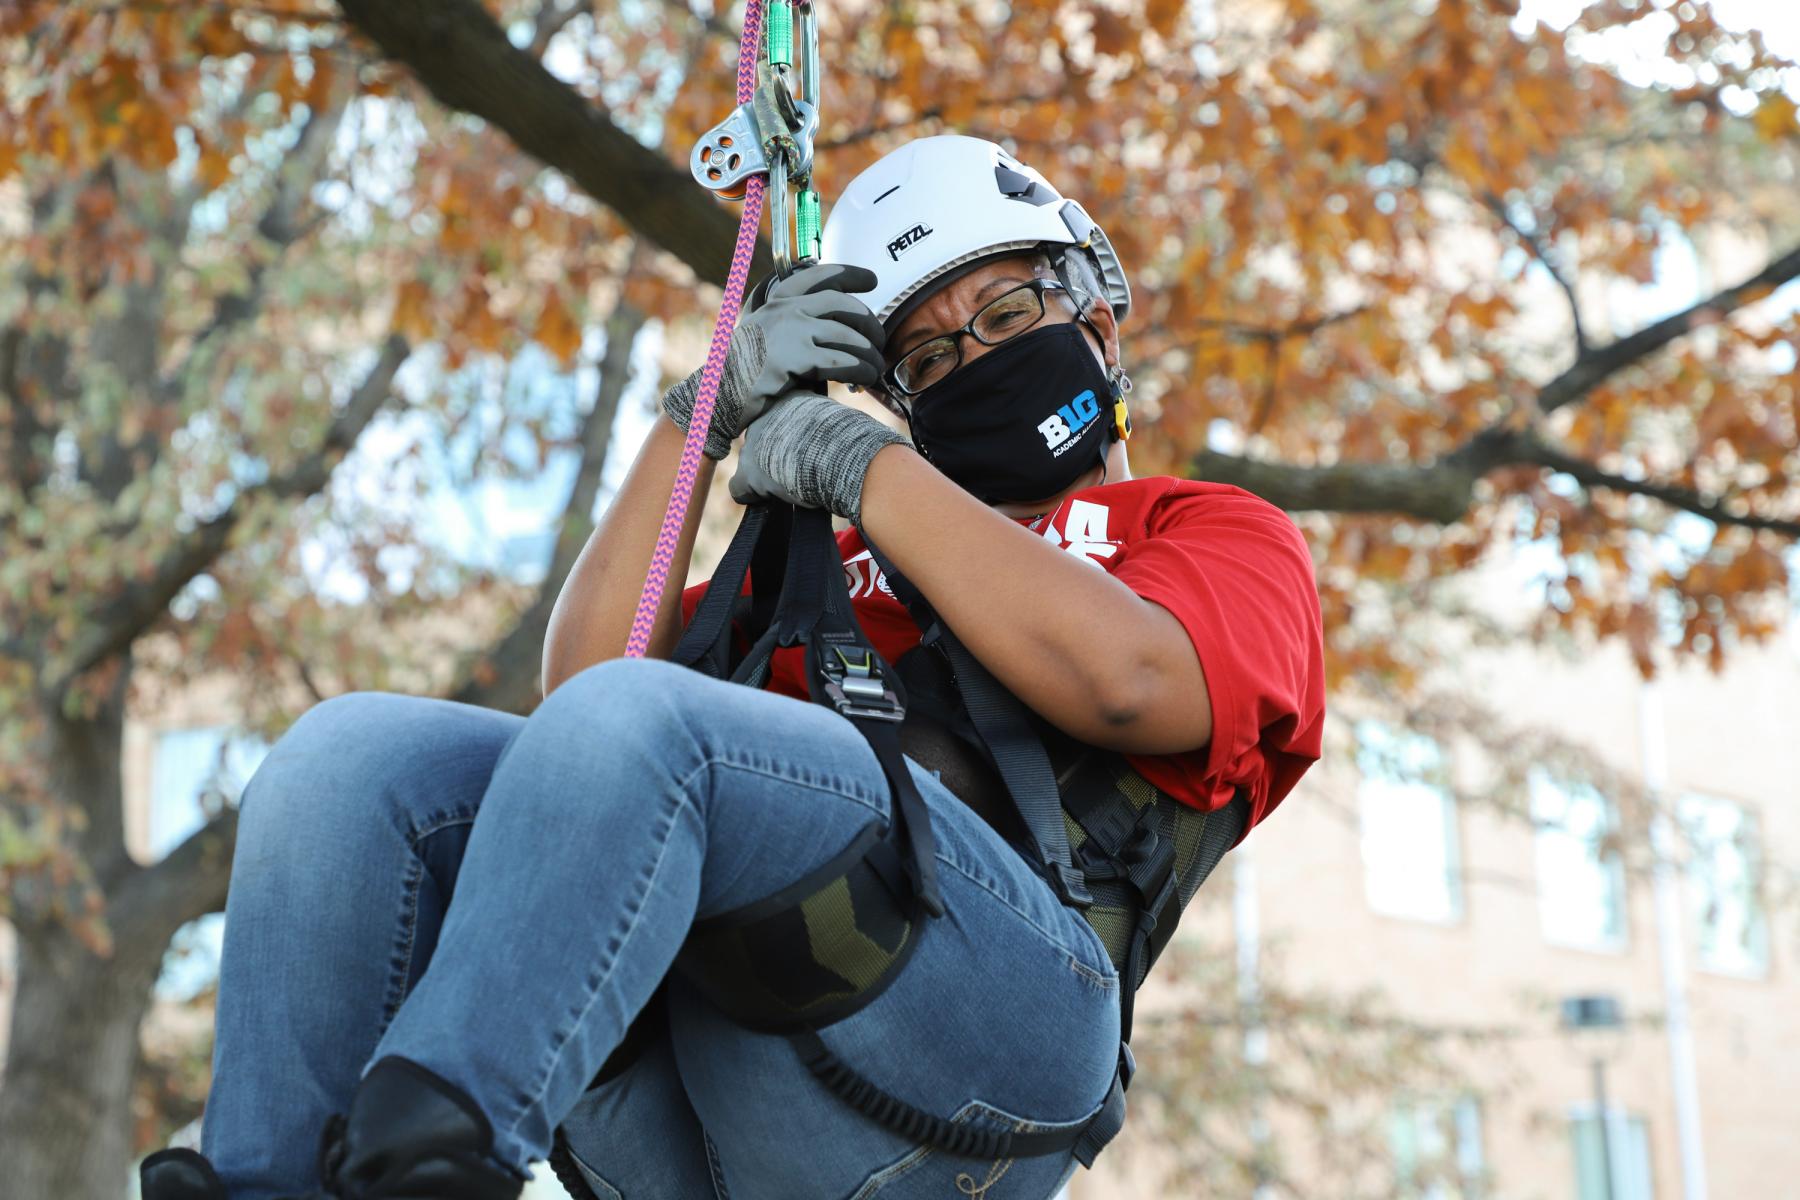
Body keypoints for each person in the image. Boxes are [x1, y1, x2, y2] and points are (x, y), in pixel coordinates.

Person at [140, 135, 1325, 1200]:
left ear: (1097, 323)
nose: (973, 359)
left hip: (986, 1031)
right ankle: (270, 1179)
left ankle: (439, 1147)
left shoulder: (1208, 532)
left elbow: (1129, 677)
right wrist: (697, 419)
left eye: (1008, 318)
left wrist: (868, 470)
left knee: (661, 729)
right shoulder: (842, 567)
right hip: (722, 1072)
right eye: (927, 351)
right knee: (352, 764)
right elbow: (583, 698)